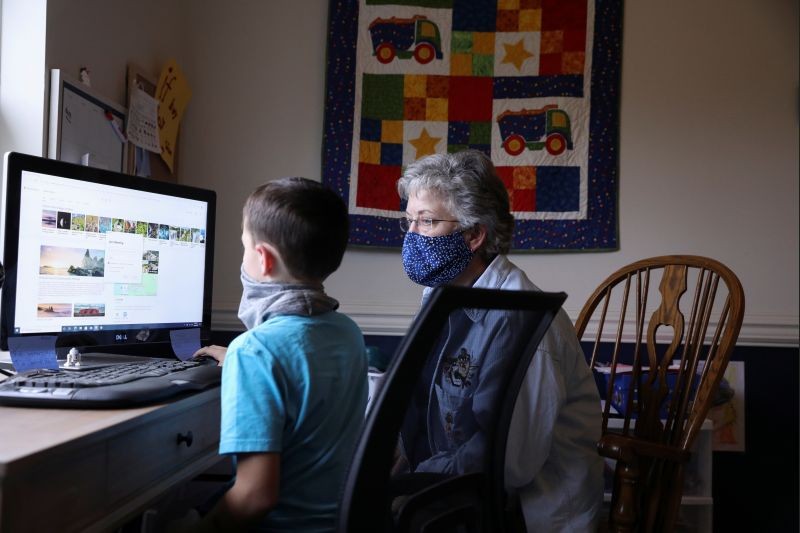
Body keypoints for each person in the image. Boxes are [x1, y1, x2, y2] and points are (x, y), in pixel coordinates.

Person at [395, 150, 603, 532]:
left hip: (524, 516)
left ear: (474, 235)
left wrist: (413, 481)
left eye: (426, 222)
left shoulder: (521, 321)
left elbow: (509, 462)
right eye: (408, 221)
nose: (411, 237)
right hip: (464, 500)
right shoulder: (440, 299)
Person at [189, 177, 368, 532]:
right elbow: (301, 364)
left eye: (244, 247)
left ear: (262, 258)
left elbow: (255, 497)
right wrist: (244, 360)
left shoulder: (255, 352)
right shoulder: (348, 333)